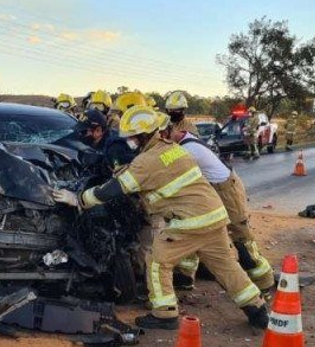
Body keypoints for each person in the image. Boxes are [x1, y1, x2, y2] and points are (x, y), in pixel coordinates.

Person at [52, 106, 270, 331]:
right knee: (226, 265)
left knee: (157, 262)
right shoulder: (173, 149)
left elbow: (115, 188)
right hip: (213, 215)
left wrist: (78, 199)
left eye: (132, 138)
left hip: (188, 222)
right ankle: (257, 309)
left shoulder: (147, 161)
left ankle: (164, 313)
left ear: (143, 135)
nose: (129, 142)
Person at [166, 122, 275, 293]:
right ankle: (184, 278)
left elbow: (165, 169)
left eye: (164, 134)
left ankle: (265, 283)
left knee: (241, 238)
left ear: (175, 131)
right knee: (192, 229)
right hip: (212, 189)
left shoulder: (187, 150)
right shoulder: (187, 140)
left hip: (226, 190)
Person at [79, 109, 136, 173]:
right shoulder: (96, 144)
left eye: (83, 132)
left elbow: (122, 177)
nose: (80, 134)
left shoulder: (114, 149)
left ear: (98, 130)